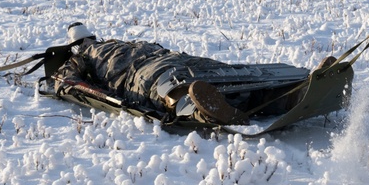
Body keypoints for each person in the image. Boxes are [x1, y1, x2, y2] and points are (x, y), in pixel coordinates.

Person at [50, 22, 347, 127]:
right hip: (141, 74)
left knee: (228, 77)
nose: (87, 44)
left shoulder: (123, 43)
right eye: (82, 43)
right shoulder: (84, 60)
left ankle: (291, 95)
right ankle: (204, 111)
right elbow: (67, 83)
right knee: (174, 89)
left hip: (172, 61)